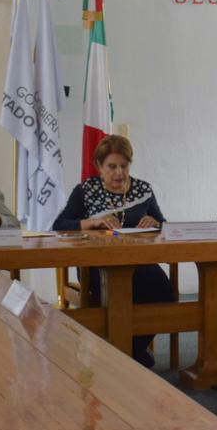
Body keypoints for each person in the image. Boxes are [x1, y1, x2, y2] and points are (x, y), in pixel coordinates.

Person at [53, 135, 171, 368]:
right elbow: (60, 225)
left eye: (124, 166)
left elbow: (163, 223)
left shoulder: (143, 189)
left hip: (140, 261)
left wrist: (153, 221)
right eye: (112, 166)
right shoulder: (86, 190)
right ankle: (124, 352)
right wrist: (91, 222)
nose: (119, 173)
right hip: (96, 264)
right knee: (116, 292)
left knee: (164, 293)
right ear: (99, 166)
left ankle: (133, 348)